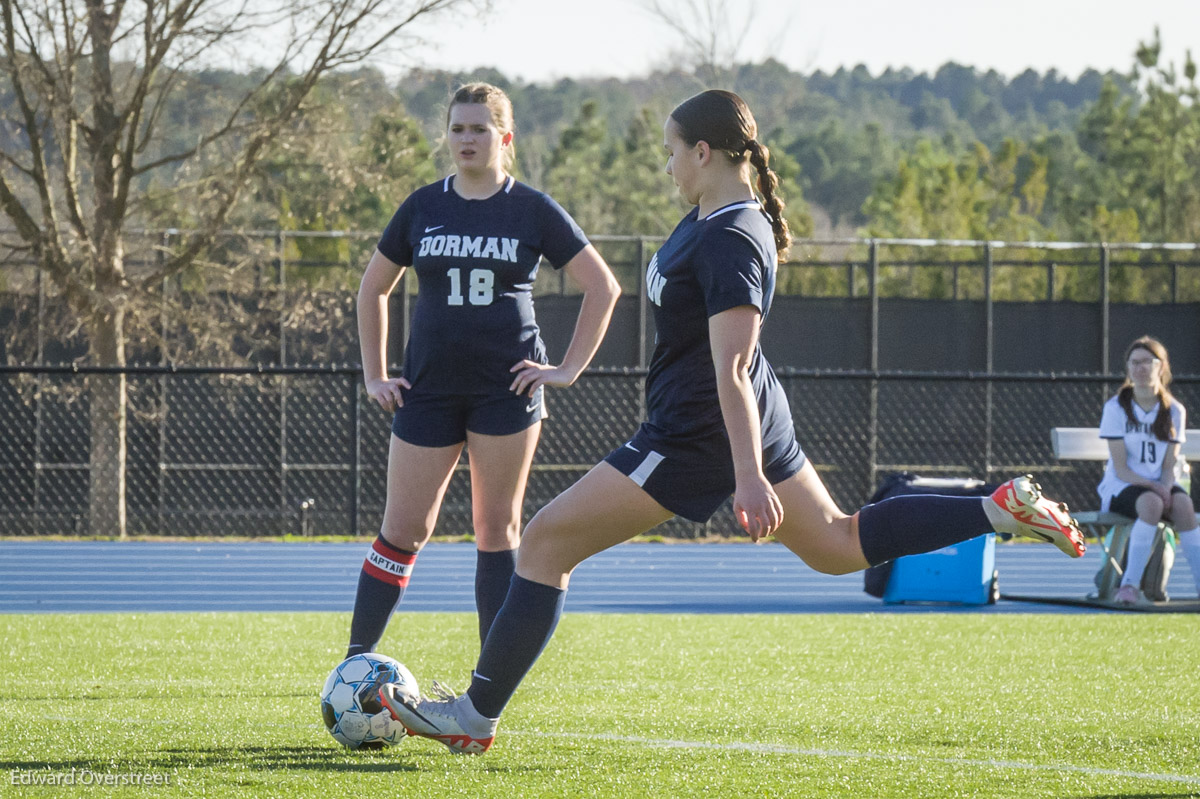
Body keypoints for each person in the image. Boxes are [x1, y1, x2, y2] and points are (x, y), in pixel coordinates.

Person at [378, 89, 1085, 754]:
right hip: (726, 420)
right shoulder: (713, 218)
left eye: (673, 149)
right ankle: (996, 509)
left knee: (542, 542)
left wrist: (747, 477)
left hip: (700, 432)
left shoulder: (730, 237)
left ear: (706, 153)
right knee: (840, 544)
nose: (667, 163)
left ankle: (473, 716)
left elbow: (734, 367)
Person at [346, 82, 621, 658]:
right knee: (403, 531)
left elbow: (603, 286)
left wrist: (566, 369)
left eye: (479, 128)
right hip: (428, 392)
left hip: (506, 393)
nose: (466, 139)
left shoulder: (532, 208)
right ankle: (352, 667)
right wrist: (376, 374)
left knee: (496, 532)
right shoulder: (424, 205)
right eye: (457, 128)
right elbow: (373, 287)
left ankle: (483, 691)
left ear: (504, 136)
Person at [1098, 336, 1200, 605]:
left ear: (1161, 366)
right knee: (1152, 504)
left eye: (1147, 362)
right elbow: (1120, 468)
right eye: (1135, 363)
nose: (1140, 368)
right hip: (1123, 486)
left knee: (1184, 506)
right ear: (1128, 368)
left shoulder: (1174, 410)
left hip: (1159, 485)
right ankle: (1129, 585)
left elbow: (1170, 465)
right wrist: (1155, 488)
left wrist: (1165, 486)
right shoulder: (1116, 408)